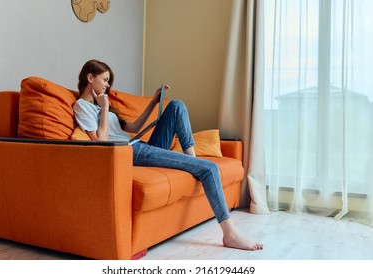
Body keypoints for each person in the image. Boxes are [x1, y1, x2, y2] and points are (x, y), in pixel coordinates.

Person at [73, 59, 263, 251]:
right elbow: (101, 142)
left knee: (176, 106)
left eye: (108, 81)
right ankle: (229, 234)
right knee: (210, 168)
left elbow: (134, 128)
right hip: (130, 152)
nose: (107, 85)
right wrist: (104, 107)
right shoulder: (82, 106)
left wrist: (154, 102)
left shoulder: (102, 105)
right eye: (105, 80)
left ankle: (192, 160)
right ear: (90, 78)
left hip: (139, 144)